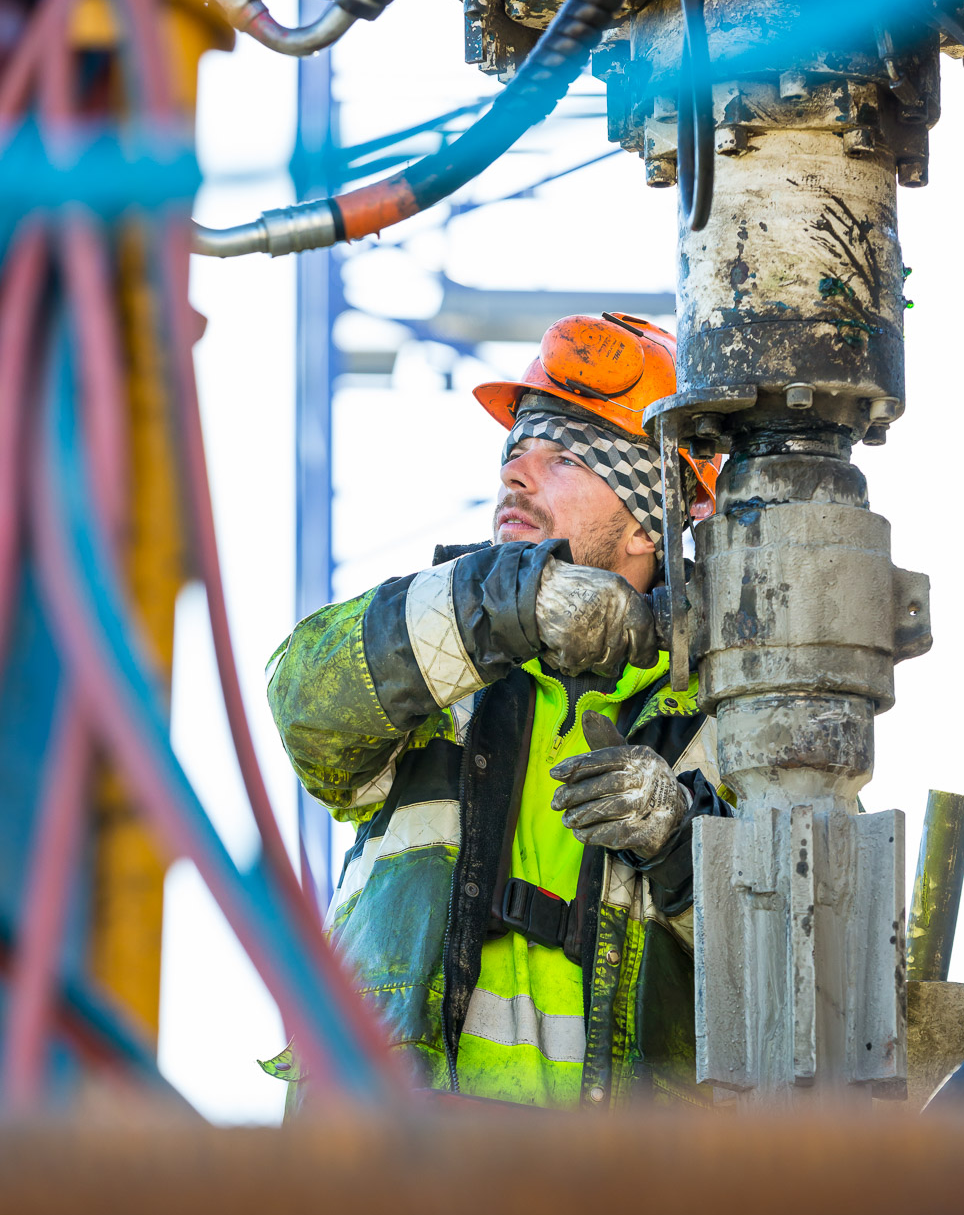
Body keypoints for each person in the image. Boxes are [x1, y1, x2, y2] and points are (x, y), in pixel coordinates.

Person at [263, 312, 731, 1110]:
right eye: (514, 453)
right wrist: (498, 605)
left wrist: (685, 844)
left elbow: (814, 976)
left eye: (563, 459)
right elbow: (305, 706)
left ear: (647, 526)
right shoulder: (443, 665)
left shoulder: (731, 726)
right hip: (391, 1186)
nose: (516, 475)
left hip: (621, 1211)